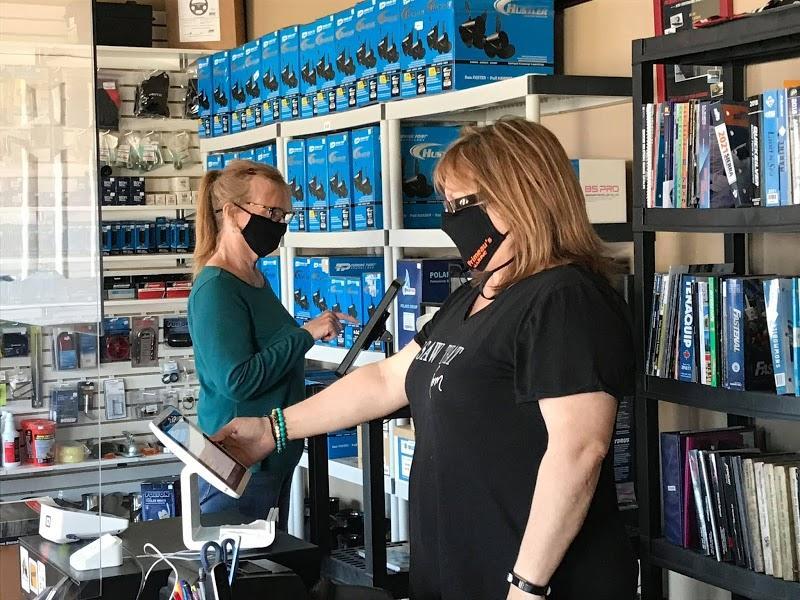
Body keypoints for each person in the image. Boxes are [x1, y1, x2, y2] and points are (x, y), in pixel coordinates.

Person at [211, 120, 638, 599]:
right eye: (446, 205)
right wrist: (273, 429)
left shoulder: (565, 299)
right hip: (457, 571)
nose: (450, 219)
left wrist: (527, 585)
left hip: (536, 581)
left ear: (523, 196)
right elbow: (386, 380)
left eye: (462, 204)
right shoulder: (475, 296)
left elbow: (578, 452)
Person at [189, 160, 349, 527]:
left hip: (271, 458)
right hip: (239, 462)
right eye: (271, 213)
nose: (278, 224)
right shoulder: (216, 288)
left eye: (284, 215)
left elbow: (272, 352)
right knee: (240, 560)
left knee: (272, 557)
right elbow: (237, 380)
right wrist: (305, 334)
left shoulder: (255, 278)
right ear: (233, 213)